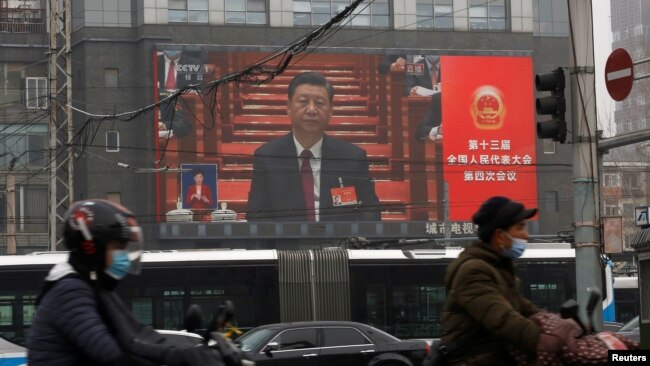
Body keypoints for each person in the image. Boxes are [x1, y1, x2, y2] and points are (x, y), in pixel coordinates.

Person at [27, 199, 223, 366]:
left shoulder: (95, 287)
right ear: (91, 248)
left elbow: (139, 334)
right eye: (118, 247)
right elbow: (112, 354)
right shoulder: (70, 290)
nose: (125, 255)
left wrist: (198, 351)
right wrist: (186, 357)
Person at [440, 196, 580, 365]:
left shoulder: (500, 270)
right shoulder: (474, 271)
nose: (526, 236)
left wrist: (564, 327)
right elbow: (504, 320)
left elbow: (528, 310)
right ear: (500, 236)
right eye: (520, 227)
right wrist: (553, 342)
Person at [246, 72, 381, 221]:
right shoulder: (267, 157)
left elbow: (371, 213)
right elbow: (256, 216)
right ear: (289, 107)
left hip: (339, 242)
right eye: (303, 102)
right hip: (287, 242)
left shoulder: (353, 158)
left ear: (330, 110)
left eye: (319, 103)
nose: (311, 110)